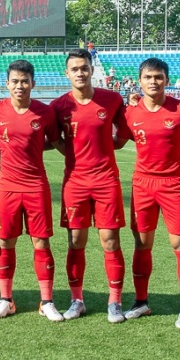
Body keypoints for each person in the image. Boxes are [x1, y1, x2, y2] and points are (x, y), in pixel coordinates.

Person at [116, 58, 180, 328]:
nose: (153, 82)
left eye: (159, 77)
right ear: (139, 81)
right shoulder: (129, 112)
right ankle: (141, 302)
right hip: (142, 184)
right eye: (148, 77)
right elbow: (117, 142)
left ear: (166, 80)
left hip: (173, 184)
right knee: (142, 244)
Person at [50, 48, 129, 323]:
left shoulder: (112, 99)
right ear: (67, 73)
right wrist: (73, 156)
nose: (80, 73)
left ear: (92, 70)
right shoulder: (59, 106)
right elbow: (54, 140)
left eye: (84, 67)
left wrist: (107, 148)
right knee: (75, 241)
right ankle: (77, 299)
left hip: (106, 180)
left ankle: (115, 301)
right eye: (75, 69)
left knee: (110, 241)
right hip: (75, 182)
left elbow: (124, 135)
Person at [0, 60, 65, 321]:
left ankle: (46, 301)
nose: (20, 86)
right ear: (6, 83)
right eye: (15, 81)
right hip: (6, 186)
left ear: (33, 83)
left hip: (36, 186)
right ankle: (6, 299)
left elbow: (55, 142)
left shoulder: (45, 112)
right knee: (5, 241)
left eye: (25, 81)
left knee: (41, 242)